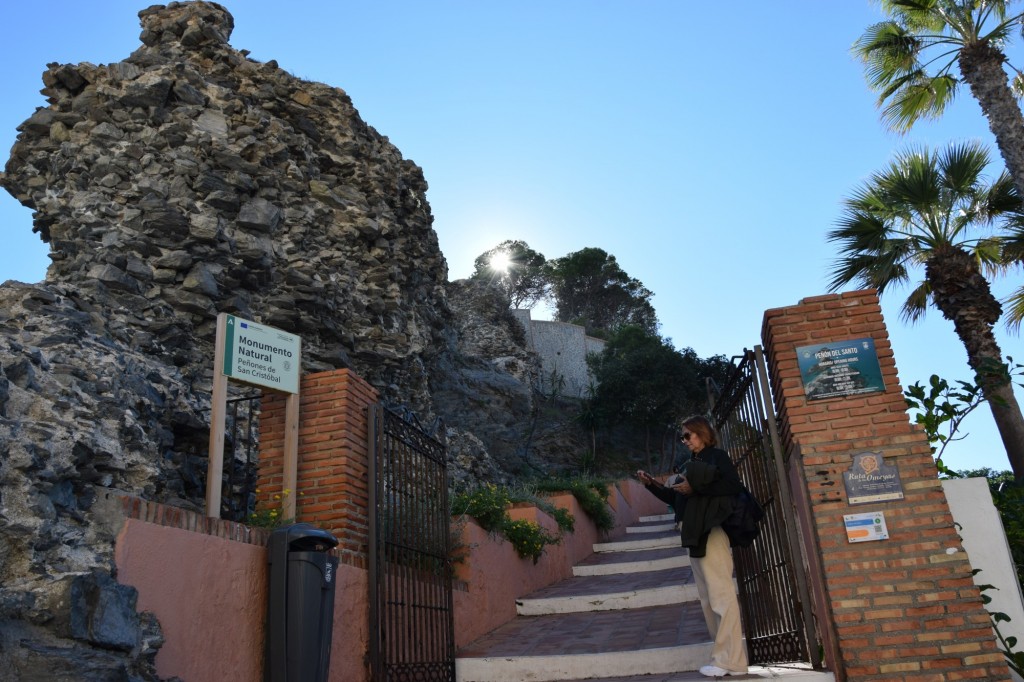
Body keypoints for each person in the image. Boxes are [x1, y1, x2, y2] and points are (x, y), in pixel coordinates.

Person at [636, 415, 748, 678]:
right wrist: (651, 485)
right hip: (694, 532)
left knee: (721, 596)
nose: (684, 440)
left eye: (688, 435)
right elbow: (676, 496)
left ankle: (732, 661)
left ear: (702, 433)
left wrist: (695, 487)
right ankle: (724, 657)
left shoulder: (716, 457)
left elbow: (732, 485)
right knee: (708, 599)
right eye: (682, 436)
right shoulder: (691, 464)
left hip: (711, 530)